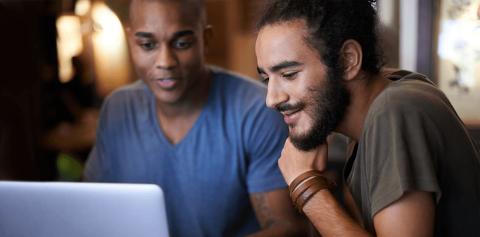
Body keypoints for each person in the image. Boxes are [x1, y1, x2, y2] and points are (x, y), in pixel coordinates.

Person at [255, 0, 480, 236]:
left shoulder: (394, 110)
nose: (272, 99)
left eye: (289, 75)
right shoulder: (387, 97)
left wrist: (305, 185)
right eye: (266, 79)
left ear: (347, 61)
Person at [84, 0, 306, 236]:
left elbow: (286, 229)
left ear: (205, 39)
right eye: (148, 45)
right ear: (131, 42)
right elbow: (88, 211)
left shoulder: (255, 110)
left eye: (182, 43)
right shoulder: (117, 110)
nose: (165, 62)